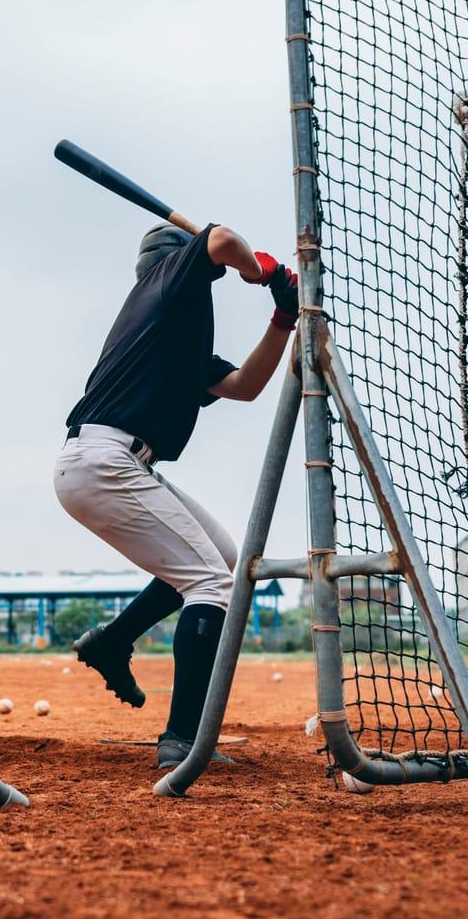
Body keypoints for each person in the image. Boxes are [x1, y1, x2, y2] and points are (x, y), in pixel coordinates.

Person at [55, 221, 298, 768]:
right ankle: (181, 742)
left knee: (225, 560)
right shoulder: (165, 285)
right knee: (210, 583)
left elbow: (245, 386)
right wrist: (263, 272)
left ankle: (113, 641)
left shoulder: (175, 334)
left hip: (117, 464)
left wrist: (282, 319)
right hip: (104, 460)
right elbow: (222, 241)